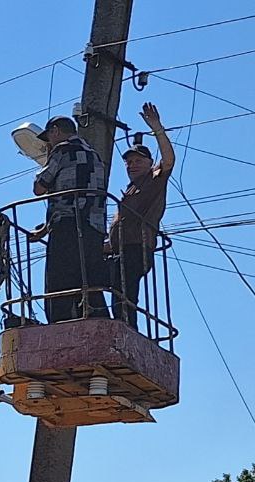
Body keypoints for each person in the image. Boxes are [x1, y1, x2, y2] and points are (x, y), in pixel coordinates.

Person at [32, 115, 110, 323]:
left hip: (67, 226)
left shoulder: (62, 150)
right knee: (89, 280)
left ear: (55, 131)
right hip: (94, 227)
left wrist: (47, 160)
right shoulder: (95, 155)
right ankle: (99, 319)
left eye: (48, 136)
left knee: (59, 281)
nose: (48, 141)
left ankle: (59, 325)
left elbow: (39, 188)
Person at [108, 102, 176, 329]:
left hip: (138, 248)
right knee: (108, 288)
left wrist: (156, 127)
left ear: (149, 164)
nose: (132, 165)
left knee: (125, 295)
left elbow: (168, 160)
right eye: (128, 162)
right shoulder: (129, 190)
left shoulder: (154, 180)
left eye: (138, 161)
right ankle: (112, 325)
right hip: (120, 250)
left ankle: (126, 331)